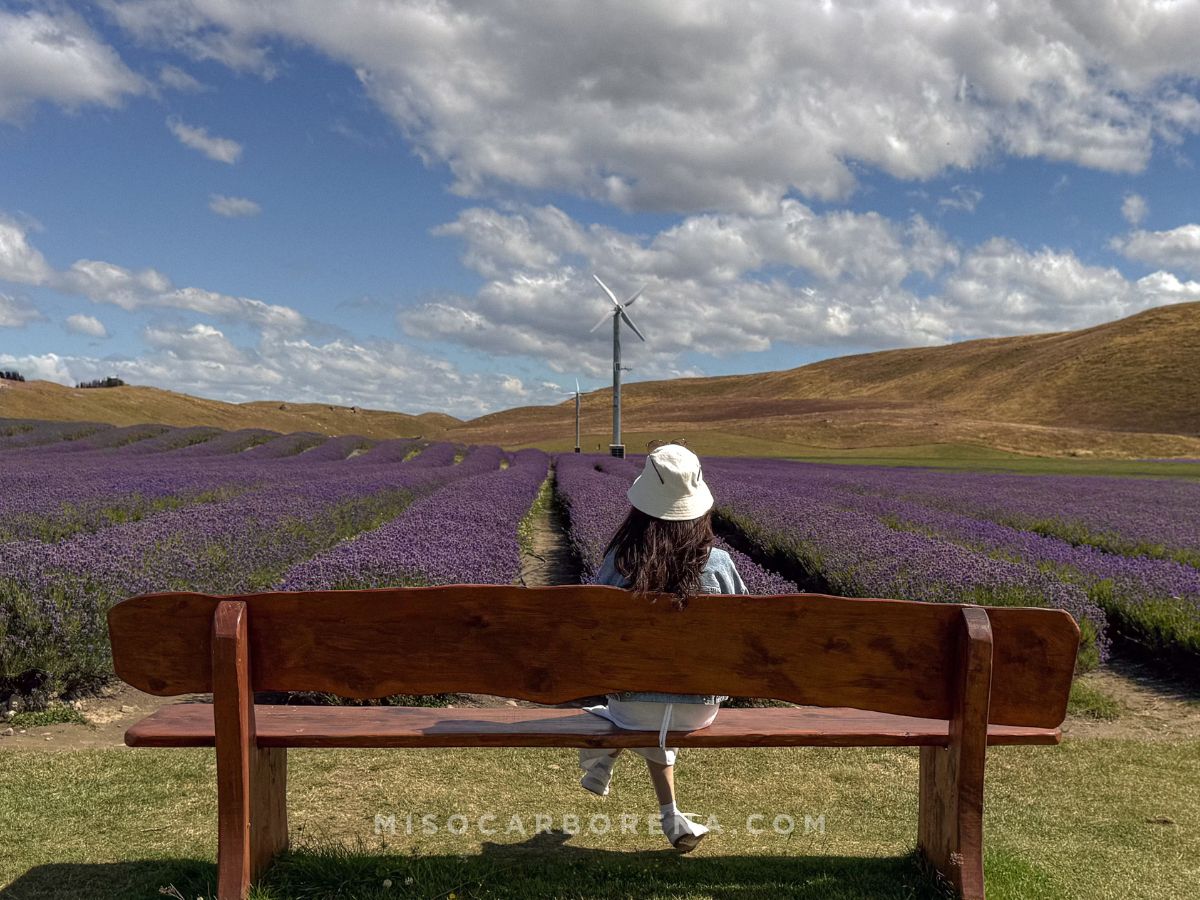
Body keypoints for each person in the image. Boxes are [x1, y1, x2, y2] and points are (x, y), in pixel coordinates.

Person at [578, 443, 747, 853]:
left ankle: (602, 758)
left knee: (637, 710)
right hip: (699, 707)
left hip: (630, 705)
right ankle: (668, 813)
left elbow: (591, 631)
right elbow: (743, 634)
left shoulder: (620, 560)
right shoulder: (720, 564)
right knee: (663, 705)